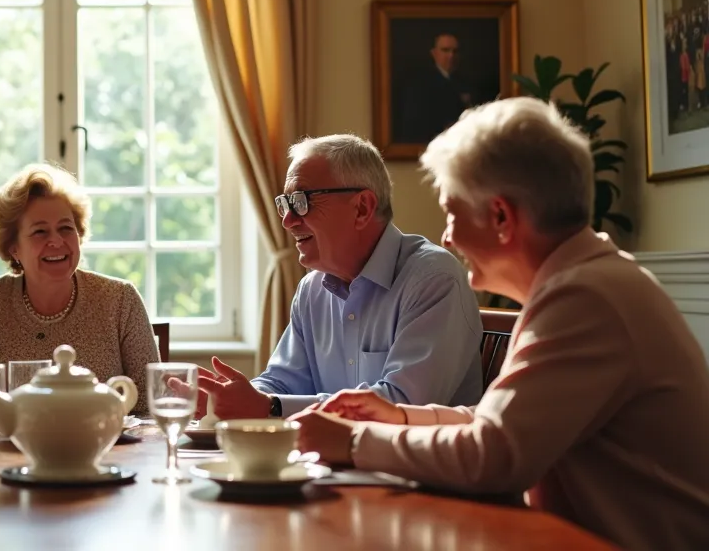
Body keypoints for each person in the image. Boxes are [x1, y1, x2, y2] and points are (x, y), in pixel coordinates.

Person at [293, 99, 709, 551]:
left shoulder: (586, 297)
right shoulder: (586, 282)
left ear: (501, 217)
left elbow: (494, 455)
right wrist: (401, 415)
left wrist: (355, 441)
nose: (447, 236)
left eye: (452, 212)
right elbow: (501, 422)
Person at [195, 134, 483, 421]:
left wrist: (270, 406)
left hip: (410, 465)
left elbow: (402, 407)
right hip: (327, 461)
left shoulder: (433, 279)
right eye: (285, 203)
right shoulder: (312, 289)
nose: (287, 220)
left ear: (362, 209)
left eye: (301, 200)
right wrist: (234, 397)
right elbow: (281, 383)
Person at [0, 162, 159, 415]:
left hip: (104, 448)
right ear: (13, 248)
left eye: (65, 228)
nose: (57, 241)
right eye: (40, 232)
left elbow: (150, 402)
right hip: (10, 452)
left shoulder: (120, 300)